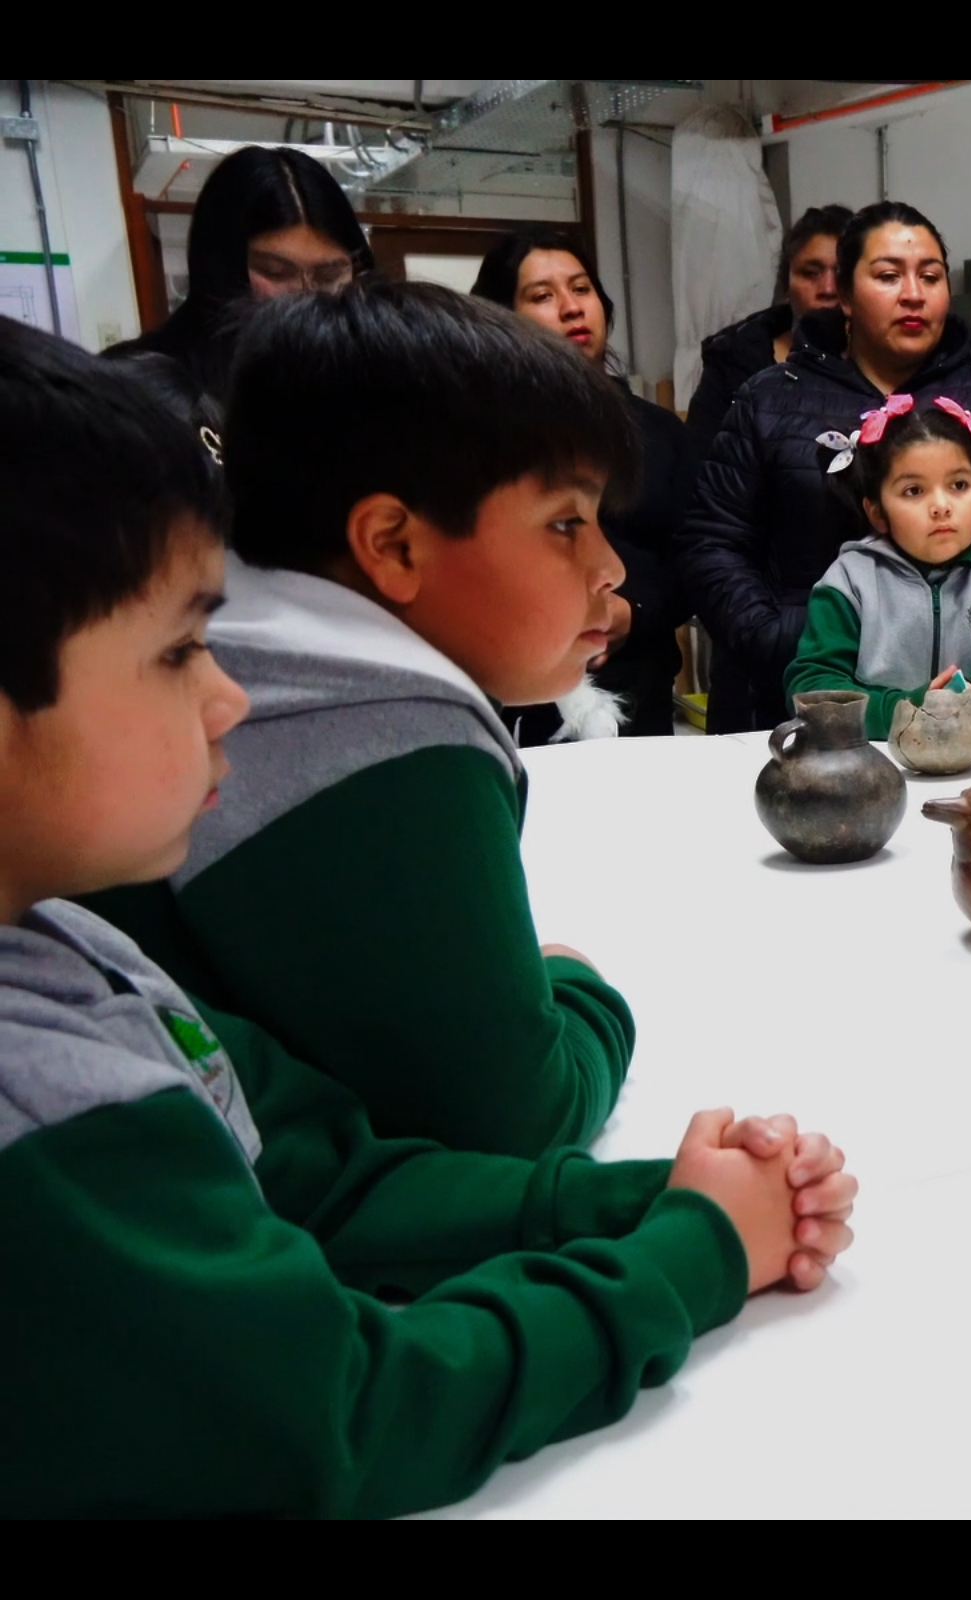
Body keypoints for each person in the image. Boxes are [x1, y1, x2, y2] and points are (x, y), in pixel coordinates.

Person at [0, 320, 856, 1516]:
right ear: (389, 542)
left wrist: (659, 1196)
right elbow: (342, 1409)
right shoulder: (35, 1097)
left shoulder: (66, 945)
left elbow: (313, 1170)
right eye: (177, 650)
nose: (230, 692)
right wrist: (684, 1252)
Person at [81, 281, 645, 1158]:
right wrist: (580, 987)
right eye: (565, 522)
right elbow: (516, 1113)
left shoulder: (251, 633)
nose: (609, 566)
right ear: (392, 544)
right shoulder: (380, 723)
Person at [682, 201, 971, 732]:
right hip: (807, 705)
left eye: (930, 276)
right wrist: (780, 634)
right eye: (888, 276)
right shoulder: (770, 399)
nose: (913, 293)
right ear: (844, 294)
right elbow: (712, 540)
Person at [473, 227, 702, 740]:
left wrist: (632, 611)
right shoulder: (476, 439)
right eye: (543, 295)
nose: (572, 307)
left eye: (581, 289)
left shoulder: (659, 433)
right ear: (501, 316)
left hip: (637, 694)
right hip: (509, 702)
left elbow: (699, 561)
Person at [785, 393, 971, 734]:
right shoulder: (849, 580)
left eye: (959, 485)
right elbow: (812, 687)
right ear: (876, 512)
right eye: (914, 491)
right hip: (882, 763)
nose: (941, 506)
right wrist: (910, 709)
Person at [107, 145, 372, 409]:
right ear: (219, 269)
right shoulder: (138, 387)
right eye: (275, 272)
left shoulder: (362, 371)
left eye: (329, 275)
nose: (307, 296)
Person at [685, 204, 855, 453]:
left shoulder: (887, 358)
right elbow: (699, 463)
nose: (828, 289)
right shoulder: (734, 362)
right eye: (810, 273)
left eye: (841, 274)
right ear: (786, 285)